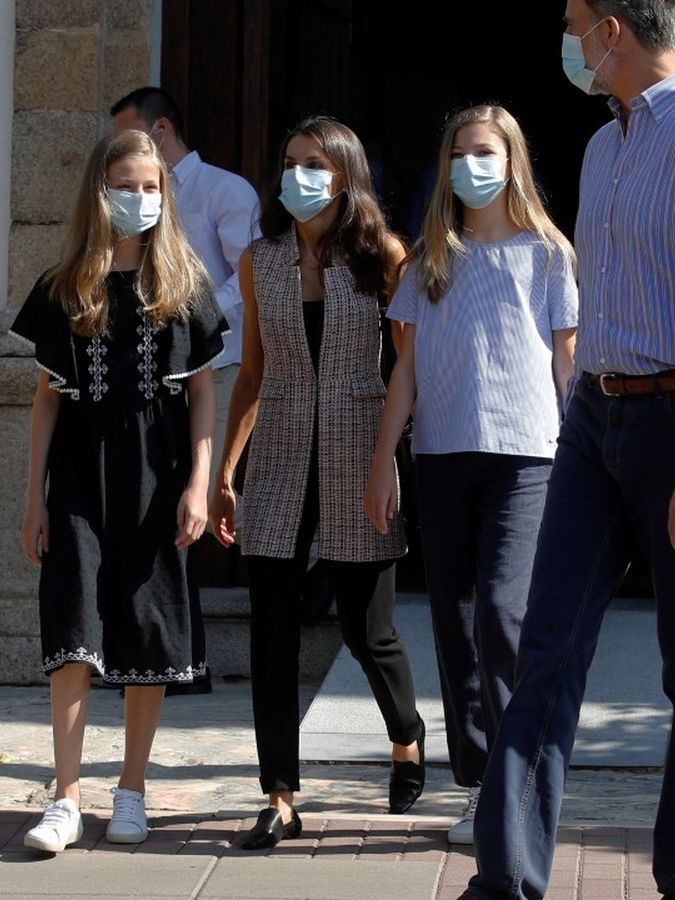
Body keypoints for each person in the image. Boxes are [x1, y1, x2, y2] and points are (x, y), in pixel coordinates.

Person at [466, 1, 675, 898]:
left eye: (573, 21)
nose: (566, 40)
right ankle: (504, 882)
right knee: (545, 653)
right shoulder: (604, 146)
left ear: (613, 31)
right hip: (597, 421)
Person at [364, 105, 579, 847]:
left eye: (485, 152)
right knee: (454, 625)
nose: (471, 166)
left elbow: (568, 363)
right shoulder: (430, 258)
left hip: (527, 456)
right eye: (459, 154)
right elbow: (406, 369)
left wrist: (586, 460)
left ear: (513, 161)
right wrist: (384, 460)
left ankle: (518, 784)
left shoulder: (548, 254)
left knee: (501, 615)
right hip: (442, 454)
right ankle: (484, 784)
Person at [210, 116, 425, 850]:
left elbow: (408, 367)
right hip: (278, 456)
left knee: (368, 631)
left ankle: (407, 737)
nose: (297, 176)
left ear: (345, 176)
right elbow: (251, 373)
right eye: (290, 161)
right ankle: (279, 795)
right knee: (271, 633)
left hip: (360, 451)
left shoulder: (383, 256)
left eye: (314, 164)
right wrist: (226, 472)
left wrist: (390, 460)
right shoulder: (260, 260)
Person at [12, 129, 227, 854]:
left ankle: (131, 790)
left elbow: (203, 393)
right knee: (73, 627)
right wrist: (33, 498)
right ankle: (66, 797)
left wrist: (199, 484)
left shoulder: (183, 285)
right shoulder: (64, 286)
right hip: (78, 473)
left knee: (147, 625)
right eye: (126, 185)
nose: (139, 198)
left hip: (157, 474)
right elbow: (46, 400)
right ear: (99, 192)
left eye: (150, 187)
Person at [111, 87, 261, 492]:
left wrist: (194, 315)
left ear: (160, 130)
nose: (121, 149)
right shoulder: (128, 196)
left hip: (219, 368)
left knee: (209, 496)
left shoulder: (225, 190)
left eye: (129, 136)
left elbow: (251, 278)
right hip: (153, 374)